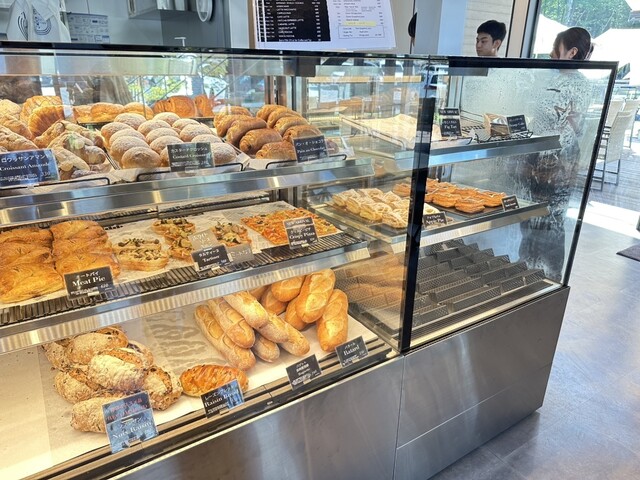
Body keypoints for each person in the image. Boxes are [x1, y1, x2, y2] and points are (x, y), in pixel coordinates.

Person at [517, 27, 594, 281]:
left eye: (556, 48)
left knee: (550, 218)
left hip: (557, 158)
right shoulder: (555, 78)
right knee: (533, 215)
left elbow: (567, 124)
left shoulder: (576, 84)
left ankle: (548, 277)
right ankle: (528, 269)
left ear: (572, 52)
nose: (551, 53)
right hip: (542, 154)